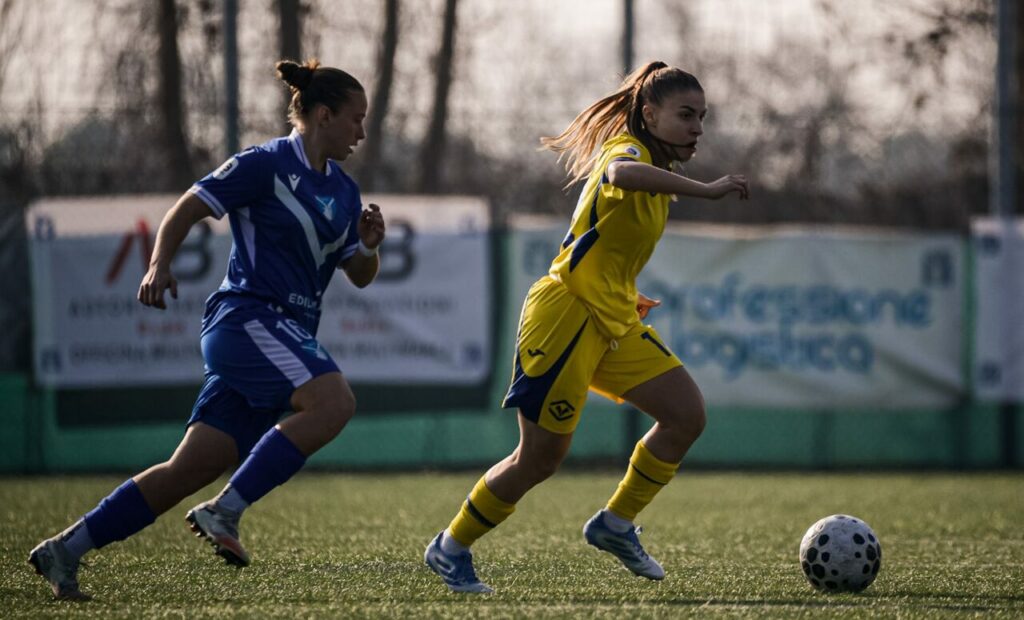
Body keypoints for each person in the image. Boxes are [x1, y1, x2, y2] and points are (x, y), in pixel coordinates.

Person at [28, 59, 384, 600]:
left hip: (278, 334)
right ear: (323, 115)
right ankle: (225, 510)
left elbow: (358, 273)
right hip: (246, 319)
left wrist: (370, 247)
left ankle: (64, 549)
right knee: (334, 402)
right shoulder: (265, 164)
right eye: (356, 118)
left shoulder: (345, 192)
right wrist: (157, 264)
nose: (361, 131)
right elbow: (188, 207)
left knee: (188, 468)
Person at [424, 61, 749, 593]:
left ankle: (615, 524)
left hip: (611, 318)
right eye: (686, 115)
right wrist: (707, 190)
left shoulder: (658, 172)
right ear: (650, 115)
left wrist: (623, 289)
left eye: (702, 117)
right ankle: (450, 546)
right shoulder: (629, 150)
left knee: (686, 415)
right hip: (566, 316)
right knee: (539, 459)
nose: (697, 128)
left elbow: (606, 243)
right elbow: (620, 175)